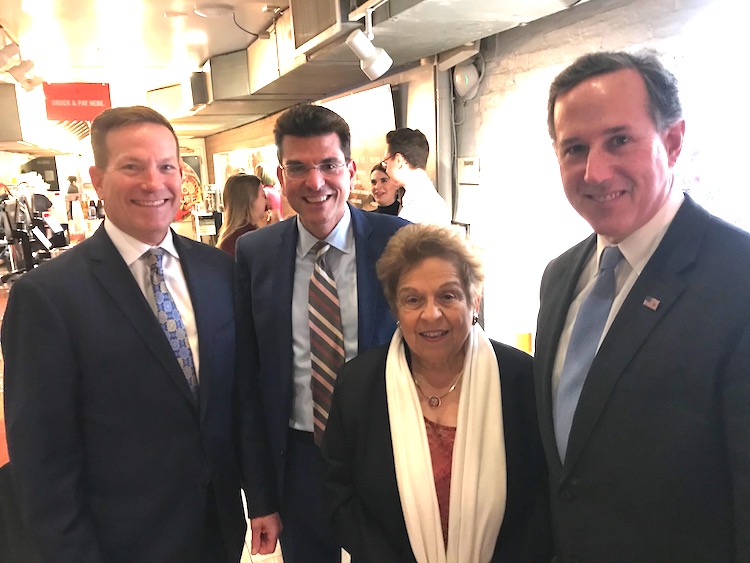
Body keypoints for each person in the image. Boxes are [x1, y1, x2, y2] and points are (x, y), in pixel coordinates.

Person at [1, 105, 281, 562]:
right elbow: (41, 455)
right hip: (116, 539)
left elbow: (240, 395)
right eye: (132, 166)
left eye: (167, 166)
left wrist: (262, 498)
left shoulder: (217, 270)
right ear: (97, 178)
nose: (154, 183)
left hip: (217, 527)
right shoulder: (47, 296)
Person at [535, 50, 750, 562]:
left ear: (672, 143)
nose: (595, 171)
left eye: (620, 140)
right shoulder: (560, 277)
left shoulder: (737, 279)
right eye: (575, 148)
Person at [235, 103, 408, 563]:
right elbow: (248, 383)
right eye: (298, 168)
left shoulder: (400, 243)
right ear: (280, 175)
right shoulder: (255, 254)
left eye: (329, 165)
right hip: (298, 458)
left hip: (388, 450)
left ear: (349, 170)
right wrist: (262, 498)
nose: (315, 182)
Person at [323, 223, 552, 562]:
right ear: (395, 309)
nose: (431, 314)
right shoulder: (358, 384)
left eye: (448, 295)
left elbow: (544, 499)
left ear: (474, 300)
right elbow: (338, 493)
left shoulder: (523, 380)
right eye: (413, 299)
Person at [382, 127, 451, 225]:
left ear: (399, 160)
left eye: (386, 162)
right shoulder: (425, 199)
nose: (386, 169)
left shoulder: (422, 206)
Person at [217, 173, 268, 257]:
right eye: (263, 195)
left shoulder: (228, 238)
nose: (266, 200)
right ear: (250, 200)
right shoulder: (249, 239)